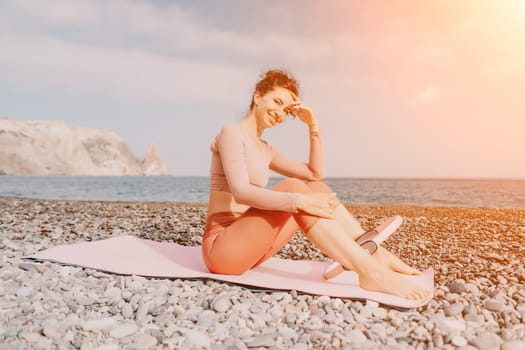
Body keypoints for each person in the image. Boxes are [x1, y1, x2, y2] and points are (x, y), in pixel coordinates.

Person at [201, 69, 429, 300]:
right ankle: (369, 271)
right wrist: (299, 200)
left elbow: (315, 174)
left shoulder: (265, 149)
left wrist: (313, 126)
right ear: (258, 96)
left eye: (286, 110)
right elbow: (241, 193)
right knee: (293, 187)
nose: (280, 113)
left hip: (252, 249)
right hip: (222, 249)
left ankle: (374, 253)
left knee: (315, 189)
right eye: (277, 102)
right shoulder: (232, 132)